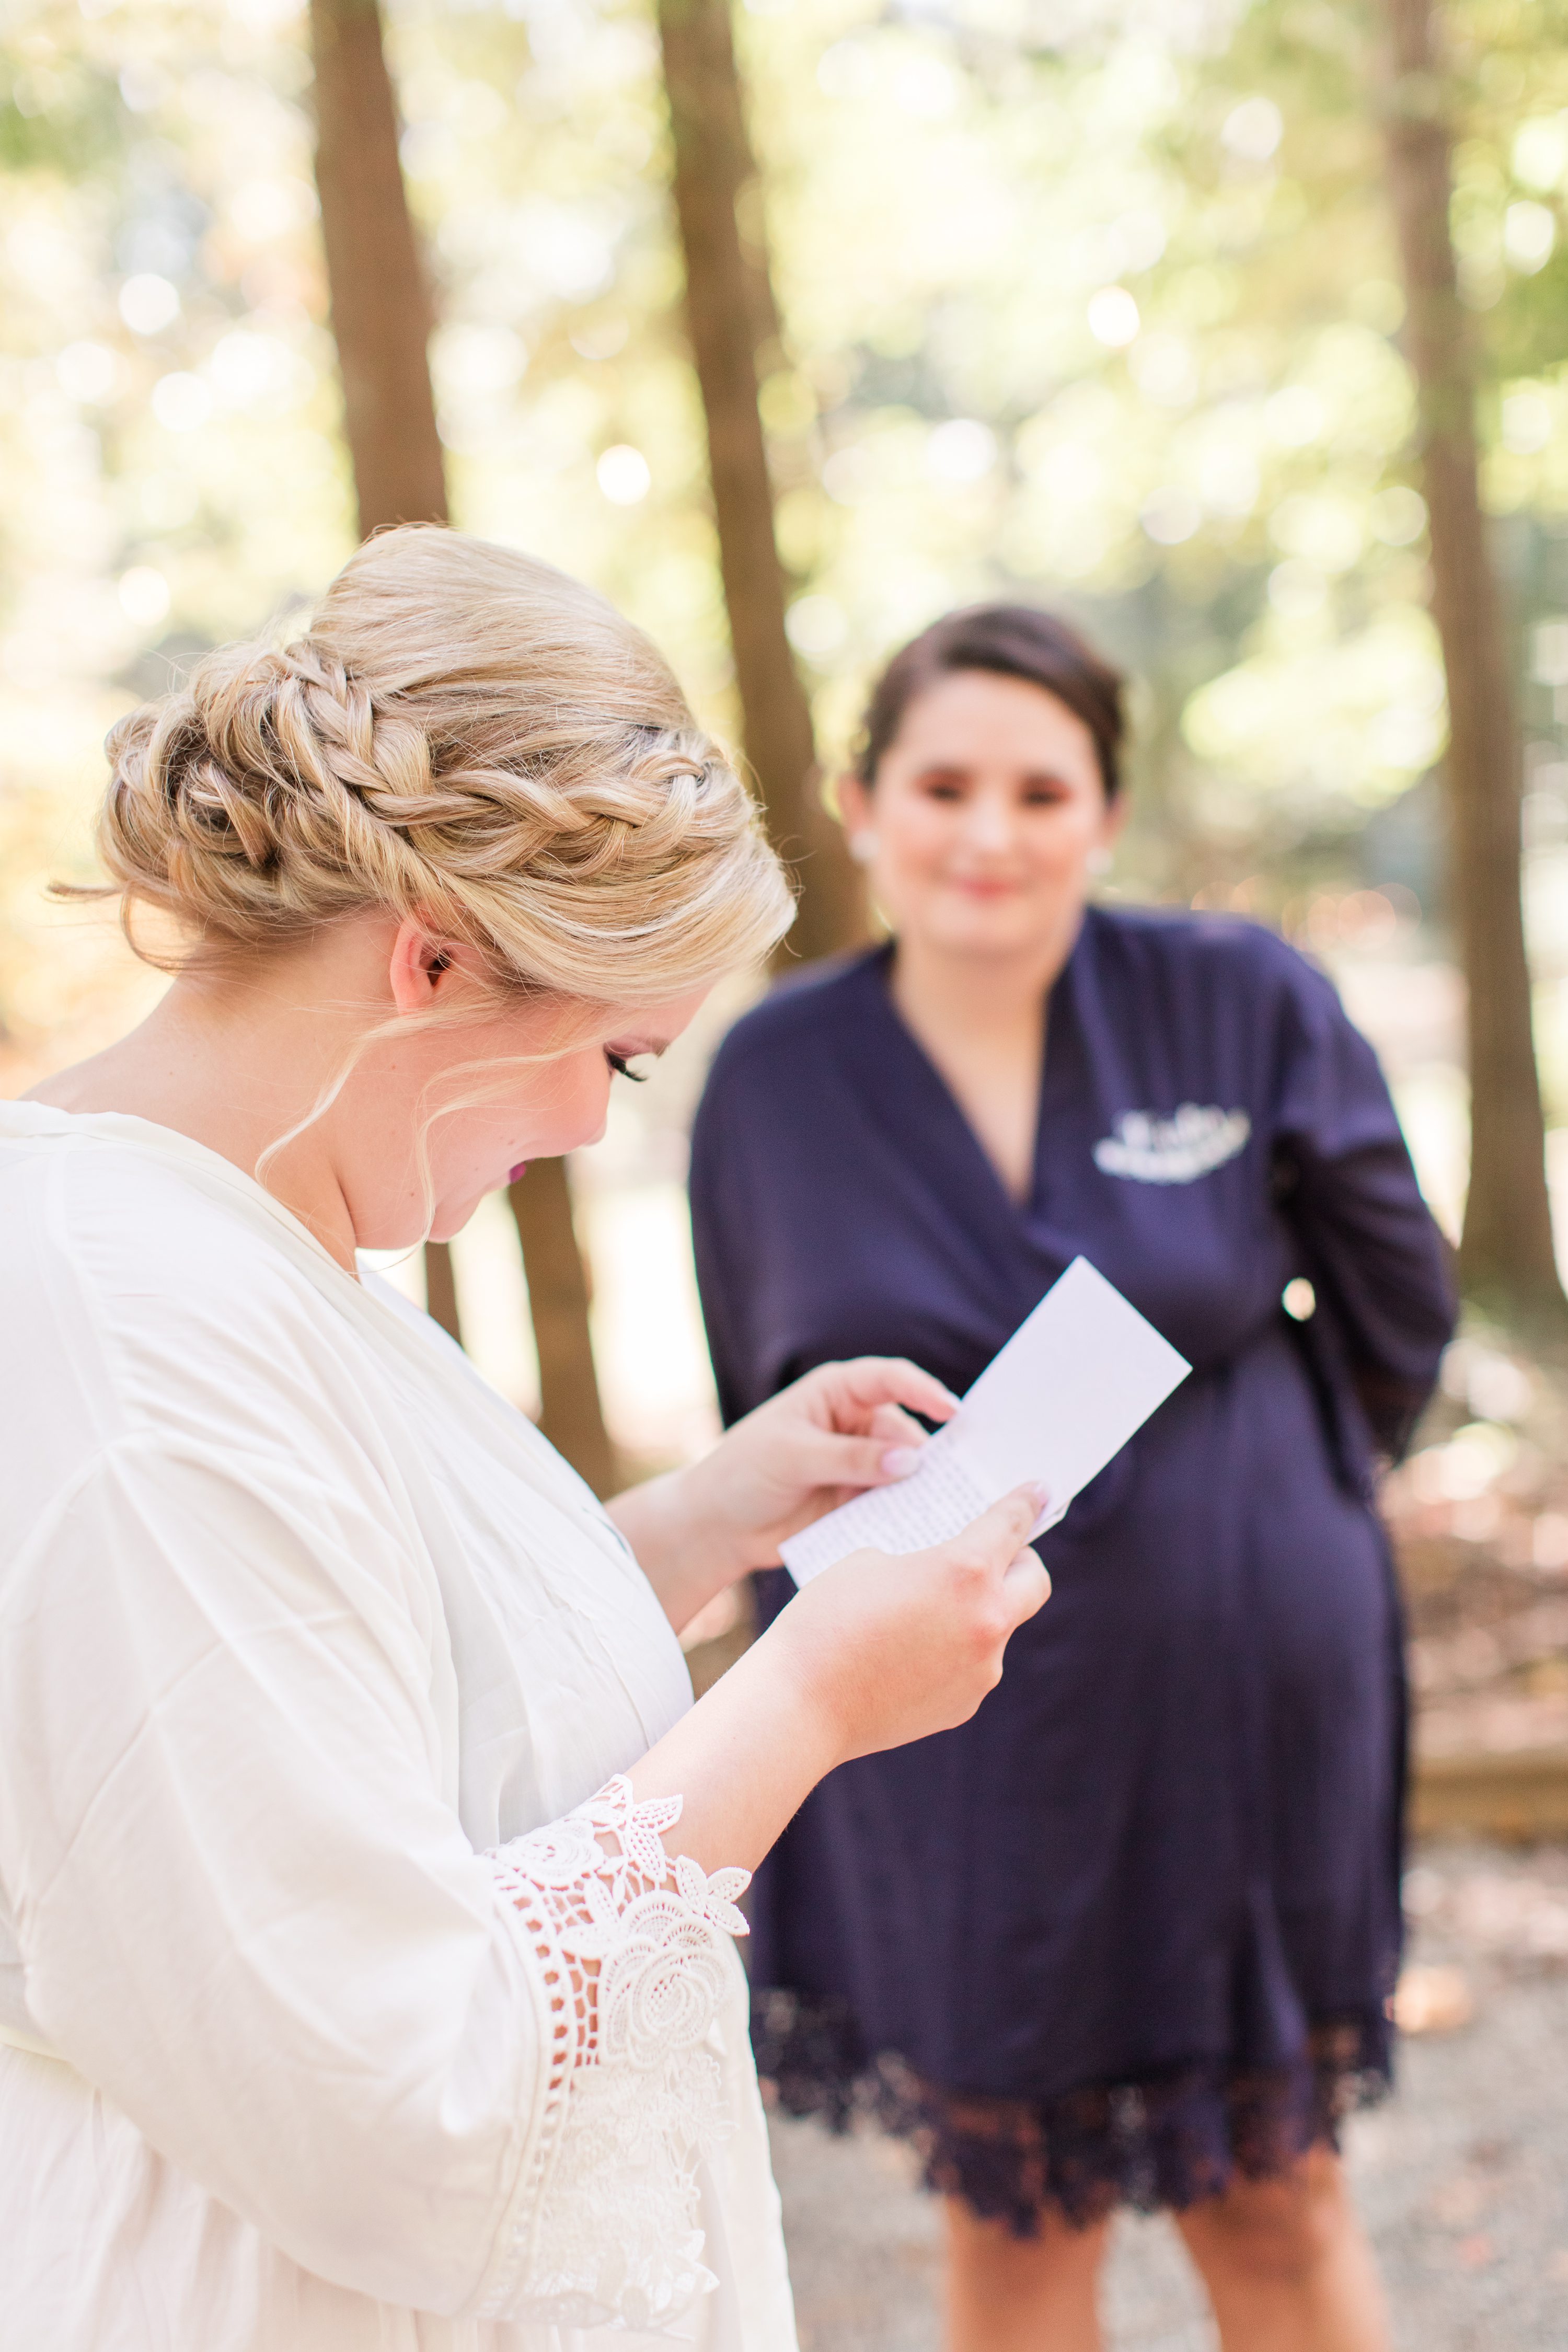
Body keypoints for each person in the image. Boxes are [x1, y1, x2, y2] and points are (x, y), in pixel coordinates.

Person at [0, 529, 1054, 2352]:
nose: (589, 1126)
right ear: (431, 962)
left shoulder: (241, 1243)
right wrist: (805, 1702)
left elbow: (348, 1686)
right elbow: (387, 2083)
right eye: (620, 1058)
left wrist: (710, 1523)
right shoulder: (132, 1334)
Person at [689, 603, 1457, 2352]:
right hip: (943, 1728)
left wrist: (1272, 1511)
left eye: (1041, 789)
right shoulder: (771, 1078)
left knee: (1271, 2190)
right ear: (862, 800)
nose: (989, 829)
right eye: (943, 781)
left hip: (1237, 1696)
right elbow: (765, 1400)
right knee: (1014, 2213)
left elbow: (1398, 1312)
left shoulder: (1241, 1000)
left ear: (1105, 815)